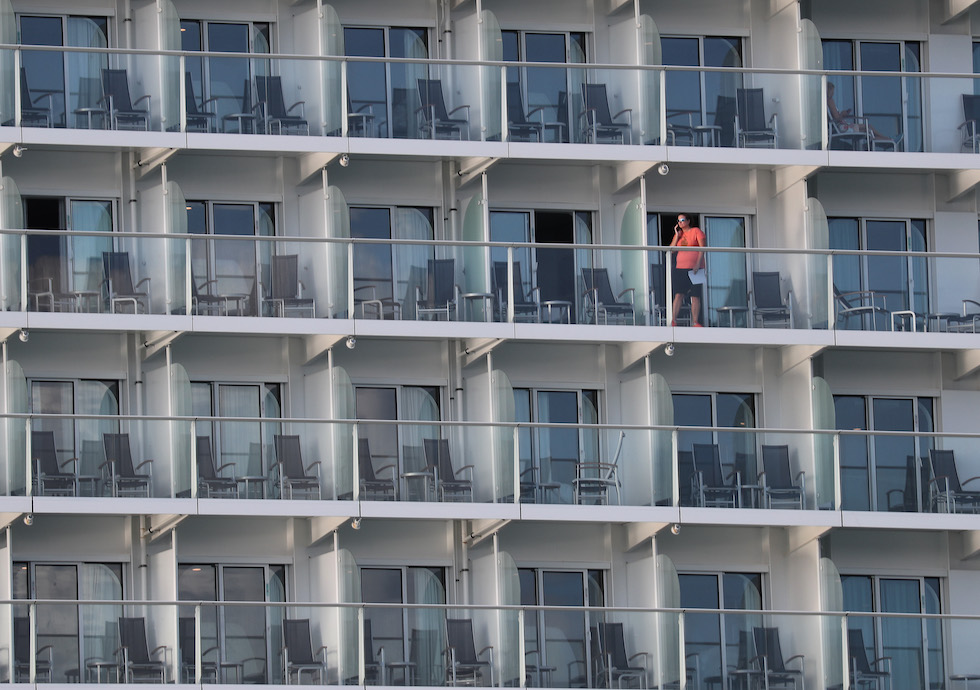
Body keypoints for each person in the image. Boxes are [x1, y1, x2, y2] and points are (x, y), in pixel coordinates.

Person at [669, 214, 705, 327]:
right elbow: (671, 250)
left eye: (683, 220)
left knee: (695, 295)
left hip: (696, 269)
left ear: (688, 221)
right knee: (679, 295)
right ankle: (673, 320)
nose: (680, 222)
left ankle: (695, 322)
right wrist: (676, 235)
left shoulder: (696, 231)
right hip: (680, 269)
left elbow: (702, 248)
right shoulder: (680, 235)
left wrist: (698, 264)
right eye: (678, 221)